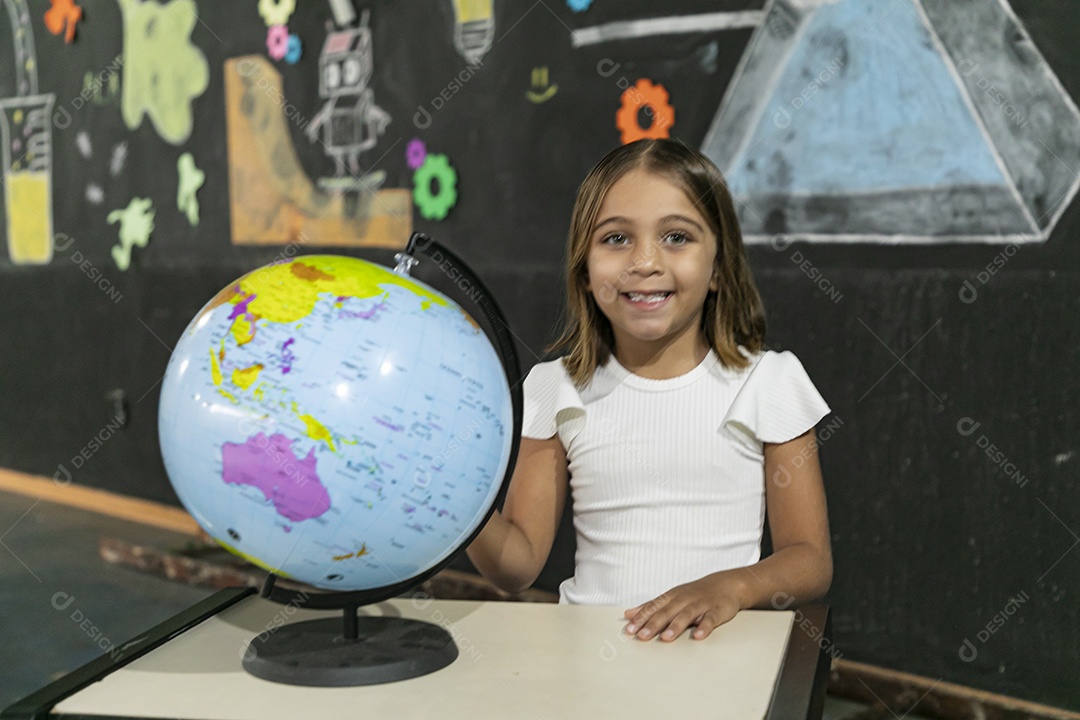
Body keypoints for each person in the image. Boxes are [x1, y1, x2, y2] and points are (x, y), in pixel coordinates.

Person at [466, 138, 832, 642]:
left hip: (712, 661)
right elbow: (518, 565)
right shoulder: (555, 387)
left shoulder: (769, 381)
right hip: (586, 664)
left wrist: (729, 587)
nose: (644, 261)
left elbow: (810, 560)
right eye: (616, 239)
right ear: (585, 269)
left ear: (719, 269)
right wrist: (454, 495)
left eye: (677, 237)